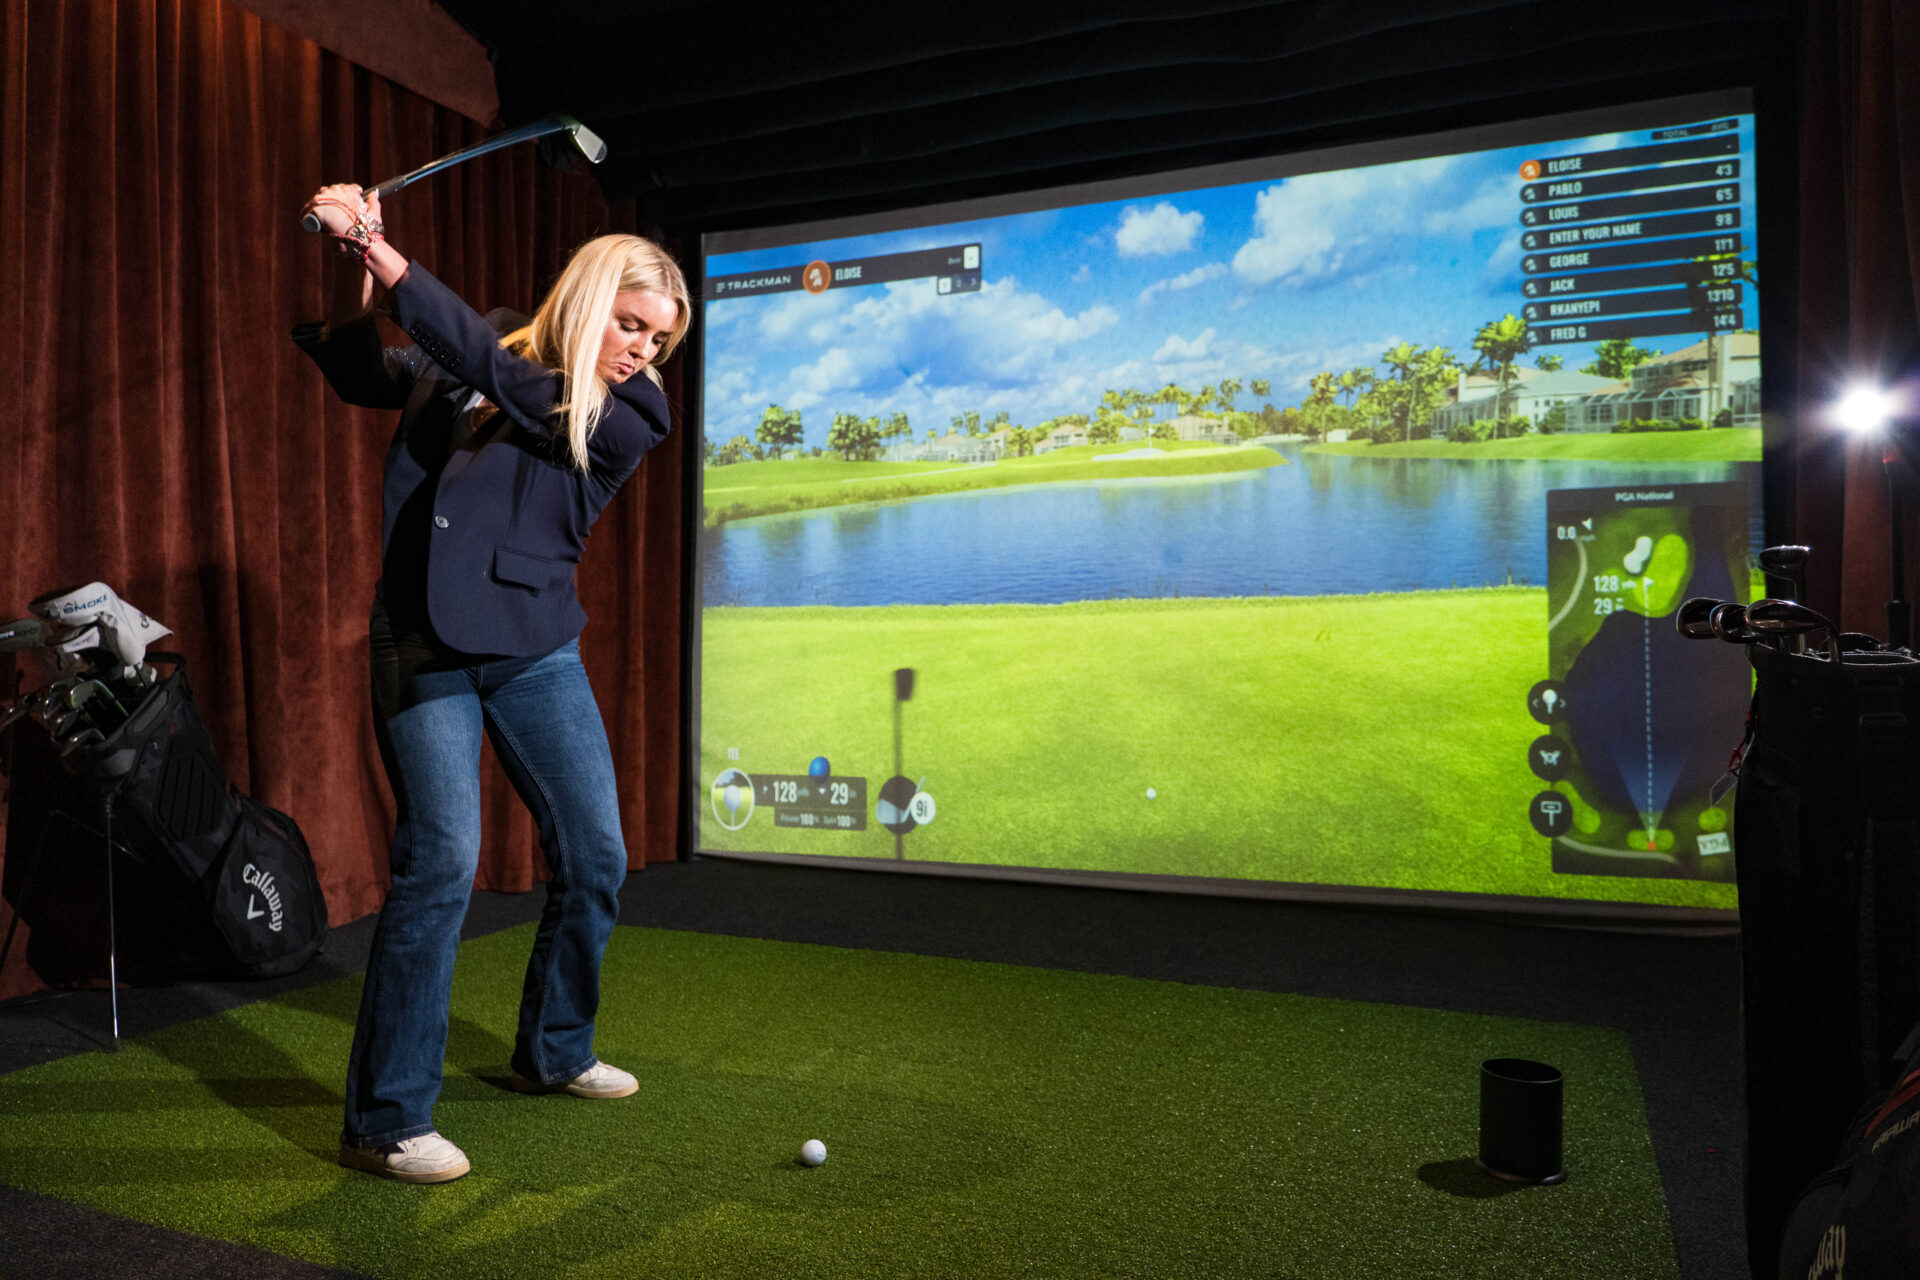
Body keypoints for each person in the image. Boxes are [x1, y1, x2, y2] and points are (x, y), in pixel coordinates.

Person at [293, 183, 688, 1183]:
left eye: (658, 338)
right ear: (590, 297)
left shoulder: (633, 411)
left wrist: (378, 247)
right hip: (422, 639)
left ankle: (555, 1049)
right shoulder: (493, 343)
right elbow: (370, 367)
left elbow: (497, 375)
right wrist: (348, 265)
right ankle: (386, 1120)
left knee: (595, 853)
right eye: (631, 324)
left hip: (533, 647)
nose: (643, 350)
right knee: (441, 861)